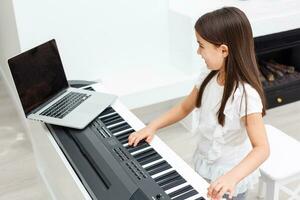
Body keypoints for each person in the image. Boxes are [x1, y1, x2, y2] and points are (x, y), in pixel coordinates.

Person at [128, 7, 270, 200]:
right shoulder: (208, 76)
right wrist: (151, 127)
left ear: (223, 50)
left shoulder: (245, 96)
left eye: (201, 45)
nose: (198, 51)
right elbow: (184, 107)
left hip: (230, 178)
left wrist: (231, 178)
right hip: (204, 164)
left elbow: (262, 148)